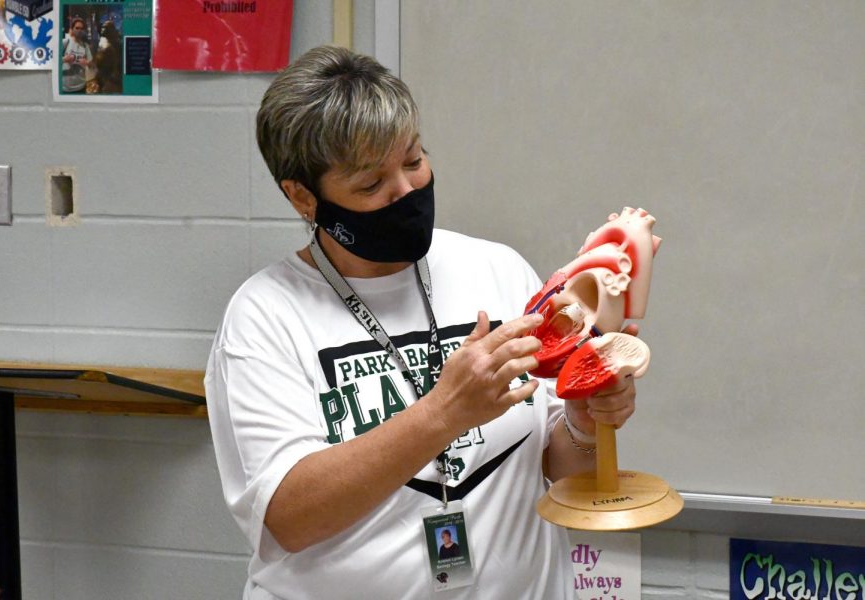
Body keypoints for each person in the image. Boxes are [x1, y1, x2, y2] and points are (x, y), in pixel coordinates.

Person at [205, 45, 637, 600]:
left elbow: (560, 469)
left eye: (413, 160)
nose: (406, 192)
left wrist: (582, 421)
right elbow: (288, 518)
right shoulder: (264, 317)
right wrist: (443, 412)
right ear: (301, 196)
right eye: (370, 183)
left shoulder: (495, 268)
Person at [61, 17, 94, 93]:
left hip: (81, 87)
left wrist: (87, 63)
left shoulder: (85, 46)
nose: (79, 30)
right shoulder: (65, 42)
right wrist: (64, 59)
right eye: (77, 28)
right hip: (65, 88)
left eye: (81, 29)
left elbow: (92, 65)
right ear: (72, 29)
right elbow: (52, 60)